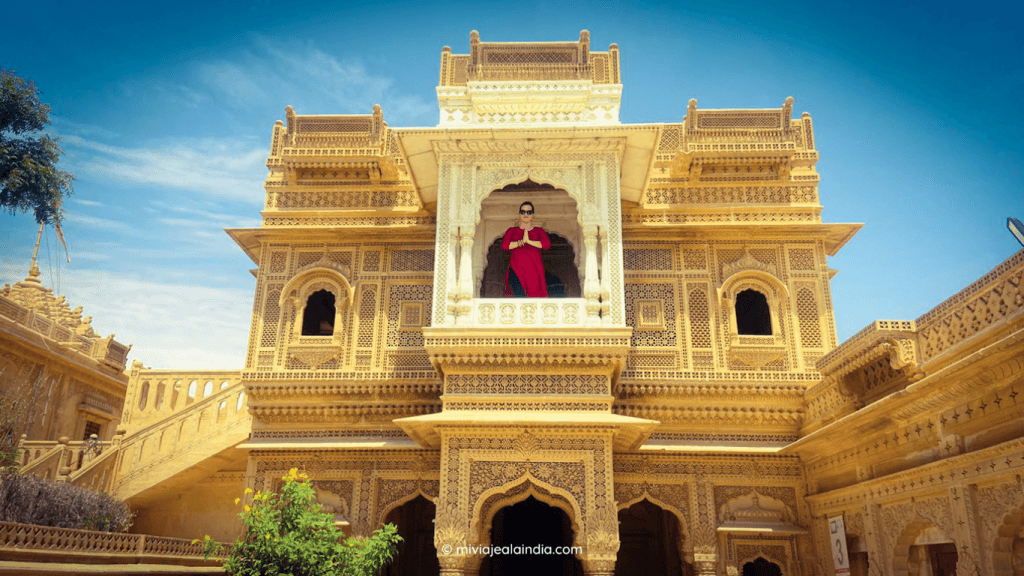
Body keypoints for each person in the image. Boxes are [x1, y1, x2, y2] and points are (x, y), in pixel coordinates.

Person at [502, 201, 551, 297]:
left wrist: (529, 241)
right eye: (523, 212)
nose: (525, 214)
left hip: (534, 271)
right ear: (519, 214)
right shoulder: (512, 231)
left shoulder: (538, 231)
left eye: (529, 212)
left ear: (533, 215)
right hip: (516, 269)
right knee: (518, 299)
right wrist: (520, 242)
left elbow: (546, 245)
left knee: (533, 299)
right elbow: (504, 245)